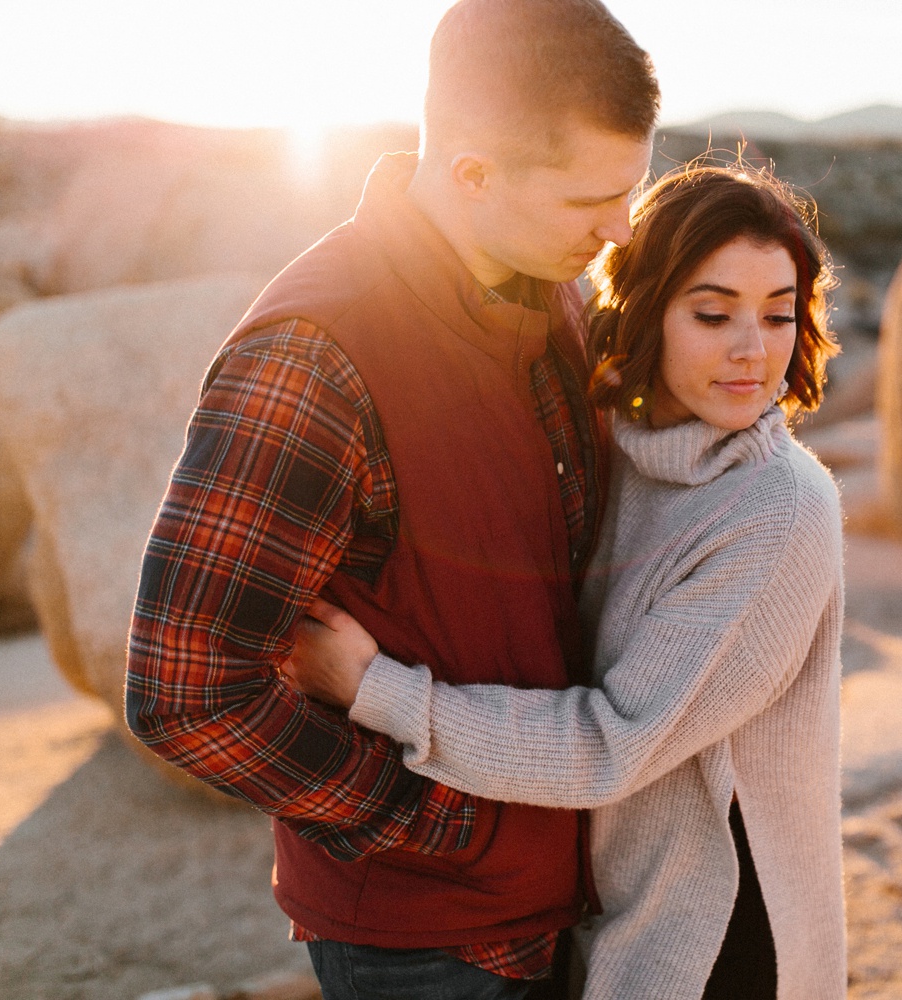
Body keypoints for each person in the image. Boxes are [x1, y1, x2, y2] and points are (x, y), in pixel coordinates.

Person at [123, 1, 659, 997]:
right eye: (591, 199)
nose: (619, 229)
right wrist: (439, 825)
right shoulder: (314, 356)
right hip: (423, 948)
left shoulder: (558, 300)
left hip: (574, 906)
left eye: (631, 190)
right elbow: (185, 690)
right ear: (471, 173)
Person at [285, 165, 848, 1000]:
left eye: (777, 314)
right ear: (646, 308)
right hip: (602, 911)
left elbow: (612, 745)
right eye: (712, 313)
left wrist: (372, 688)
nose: (752, 351)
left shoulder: (777, 511)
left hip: (712, 938)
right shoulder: (610, 447)